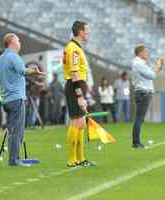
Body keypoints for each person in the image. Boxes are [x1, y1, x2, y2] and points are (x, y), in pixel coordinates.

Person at [0, 33, 42, 166]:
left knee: (14, 129)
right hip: (16, 98)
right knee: (17, 130)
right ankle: (14, 160)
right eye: (18, 40)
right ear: (12, 42)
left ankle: (16, 158)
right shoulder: (14, 56)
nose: (20, 42)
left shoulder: (2, 57)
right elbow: (22, 70)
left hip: (6, 99)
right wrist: (34, 71)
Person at [63, 21, 93, 167]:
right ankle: (71, 159)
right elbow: (74, 73)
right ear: (81, 32)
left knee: (81, 123)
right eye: (87, 30)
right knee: (76, 121)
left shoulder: (75, 48)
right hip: (74, 86)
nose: (88, 33)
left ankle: (80, 158)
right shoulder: (73, 49)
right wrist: (80, 96)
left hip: (77, 86)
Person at [131, 44, 164, 148]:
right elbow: (152, 75)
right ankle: (136, 142)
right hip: (143, 92)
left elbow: (151, 72)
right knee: (139, 119)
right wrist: (158, 66)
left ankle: (136, 141)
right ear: (140, 53)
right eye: (146, 51)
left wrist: (159, 66)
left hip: (142, 92)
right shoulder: (139, 63)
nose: (147, 53)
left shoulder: (140, 63)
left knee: (139, 118)